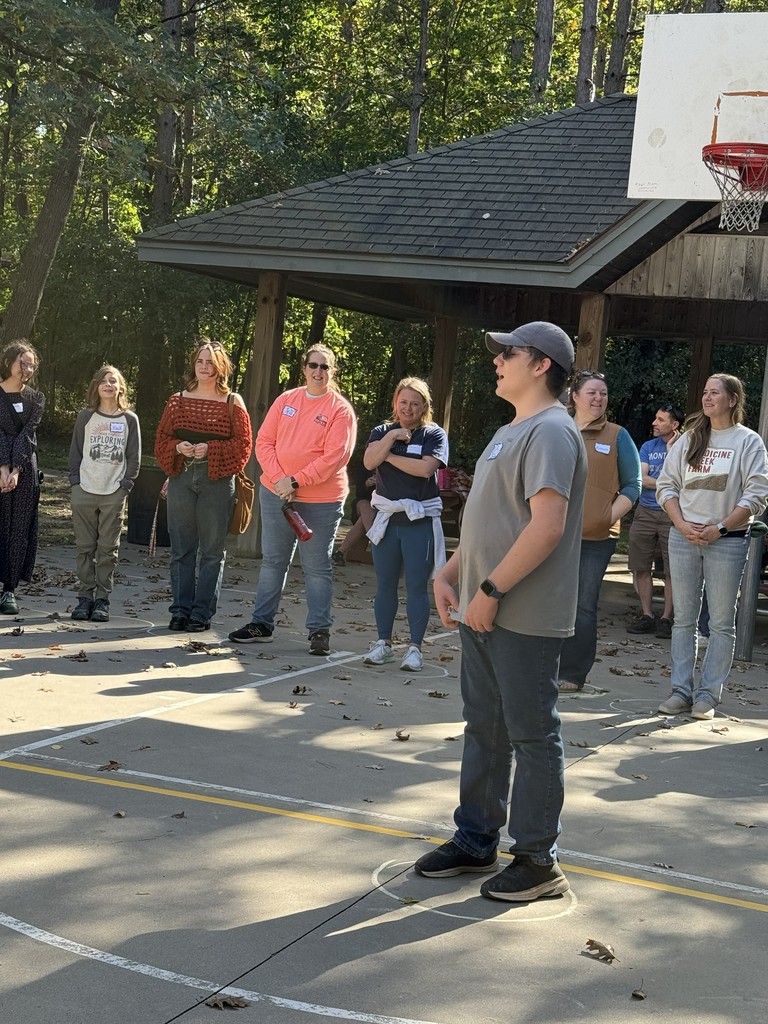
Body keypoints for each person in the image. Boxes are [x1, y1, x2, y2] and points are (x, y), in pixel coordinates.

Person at [413, 321, 586, 902]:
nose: (496, 360)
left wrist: (488, 591)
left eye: (508, 353)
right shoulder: (510, 430)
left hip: (524, 615)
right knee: (484, 728)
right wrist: (453, 570)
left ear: (541, 365)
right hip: (486, 605)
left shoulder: (554, 431)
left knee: (533, 734)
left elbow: (547, 526)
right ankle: (476, 839)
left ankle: (538, 860)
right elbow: (496, 519)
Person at [228, 344, 356, 655]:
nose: (318, 371)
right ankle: (262, 624)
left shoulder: (340, 410)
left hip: (321, 501)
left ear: (333, 371)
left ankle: (319, 632)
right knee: (273, 561)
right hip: (276, 495)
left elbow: (335, 457)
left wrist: (297, 480)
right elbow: (265, 442)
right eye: (313, 365)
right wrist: (280, 480)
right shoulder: (286, 400)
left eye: (325, 367)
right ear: (304, 368)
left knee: (316, 566)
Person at [656, 373, 768, 720]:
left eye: (715, 392)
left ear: (733, 400)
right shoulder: (689, 439)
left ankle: (707, 695)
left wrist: (720, 528)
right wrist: (680, 523)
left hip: (727, 541)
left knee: (721, 622)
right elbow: (666, 486)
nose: (707, 398)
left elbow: (757, 495)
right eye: (704, 392)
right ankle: (680, 691)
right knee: (683, 620)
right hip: (683, 538)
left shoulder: (748, 442)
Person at [155, 340, 252, 632]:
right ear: (193, 365)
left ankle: (201, 613)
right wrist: (178, 447)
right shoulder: (177, 400)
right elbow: (161, 440)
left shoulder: (233, 402)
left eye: (211, 362)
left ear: (221, 367)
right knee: (182, 549)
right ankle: (180, 610)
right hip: (182, 476)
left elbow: (244, 446)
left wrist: (211, 449)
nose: (205, 367)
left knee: (212, 551)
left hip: (218, 481)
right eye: (200, 361)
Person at [557, 371, 641, 692]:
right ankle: (542, 666)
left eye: (603, 394)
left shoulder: (617, 435)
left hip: (595, 540)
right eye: (591, 392)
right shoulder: (555, 430)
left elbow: (633, 485)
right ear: (573, 396)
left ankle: (572, 674)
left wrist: (607, 517)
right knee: (548, 600)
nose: (598, 399)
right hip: (550, 534)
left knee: (583, 607)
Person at [363, 378, 449, 673]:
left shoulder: (433, 434)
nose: (408, 408)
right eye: (403, 402)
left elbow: (425, 468)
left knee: (416, 587)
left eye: (415, 403)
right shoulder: (381, 431)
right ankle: (383, 644)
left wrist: (386, 456)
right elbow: (367, 461)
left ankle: (414, 648)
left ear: (424, 406)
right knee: (385, 585)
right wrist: (389, 441)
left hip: (419, 521)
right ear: (395, 403)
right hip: (388, 520)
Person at [68, 366, 141, 622]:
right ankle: (84, 597)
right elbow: (76, 451)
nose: (108, 385)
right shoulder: (86, 416)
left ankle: (102, 600)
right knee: (85, 547)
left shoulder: (129, 419)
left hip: (114, 492)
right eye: (103, 381)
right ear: (96, 386)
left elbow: (134, 457)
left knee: (108, 548)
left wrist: (125, 486)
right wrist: (75, 483)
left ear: (121, 387)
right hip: (85, 490)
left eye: (113, 381)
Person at [626, 404, 683, 639]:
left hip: (674, 514)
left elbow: (685, 479)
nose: (654, 423)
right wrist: (669, 484)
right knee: (640, 565)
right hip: (646, 511)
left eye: (660, 420)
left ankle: (666, 619)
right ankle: (647, 615)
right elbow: (642, 479)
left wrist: (671, 452)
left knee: (673, 570)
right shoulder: (648, 446)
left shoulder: (686, 445)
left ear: (675, 425)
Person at [0, 341, 44, 615]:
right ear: (9, 363)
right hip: (0, 466)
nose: (27, 369)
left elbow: (27, 434)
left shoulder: (36, 399)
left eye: (31, 365)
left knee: (18, 529)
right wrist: (2, 467)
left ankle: (9, 590)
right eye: (22, 363)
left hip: (25, 470)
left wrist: (15, 469)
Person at [332, 460, 375, 565]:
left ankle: (340, 552)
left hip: (382, 505)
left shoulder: (392, 465)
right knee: (365, 506)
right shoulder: (364, 465)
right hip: (364, 501)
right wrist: (367, 484)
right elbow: (360, 493)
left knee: (363, 519)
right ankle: (376, 539)